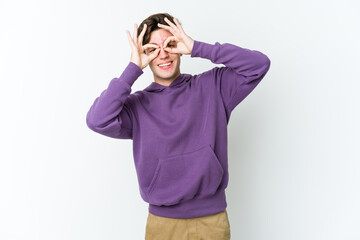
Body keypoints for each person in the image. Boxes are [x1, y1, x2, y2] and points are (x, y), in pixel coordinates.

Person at [86, 12, 271, 240]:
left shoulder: (213, 87)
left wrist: (198, 48)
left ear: (180, 45)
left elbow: (259, 65)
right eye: (152, 49)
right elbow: (97, 119)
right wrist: (133, 67)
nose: (163, 54)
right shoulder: (136, 106)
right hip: (162, 224)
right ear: (145, 55)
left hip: (212, 219)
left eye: (170, 45)